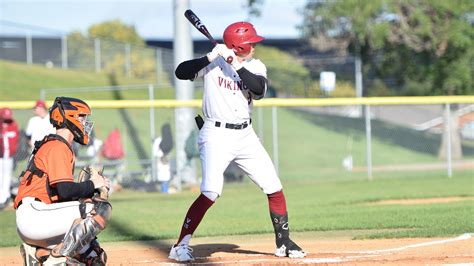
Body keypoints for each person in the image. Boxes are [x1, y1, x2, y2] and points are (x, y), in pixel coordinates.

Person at [168, 22, 306, 262]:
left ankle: (283, 242)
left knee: (273, 186)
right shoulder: (213, 62)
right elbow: (181, 72)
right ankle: (180, 245)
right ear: (237, 45)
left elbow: (259, 89)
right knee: (211, 192)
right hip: (216, 134)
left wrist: (235, 63)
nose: (254, 46)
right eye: (250, 43)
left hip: (245, 135)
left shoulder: (256, 65)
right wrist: (210, 56)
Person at [14, 97, 111, 265]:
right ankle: (55, 259)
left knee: (94, 258)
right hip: (35, 215)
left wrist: (89, 190)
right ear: (70, 117)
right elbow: (65, 190)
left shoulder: (56, 145)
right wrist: (94, 184)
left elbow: (63, 195)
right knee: (98, 209)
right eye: (82, 117)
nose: (84, 123)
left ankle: (39, 255)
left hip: (38, 218)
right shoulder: (58, 146)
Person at [0, 108, 19, 209]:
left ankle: (4, 197)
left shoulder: (13, 124)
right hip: (1, 156)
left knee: (6, 176)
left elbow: (15, 140)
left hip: (8, 156)